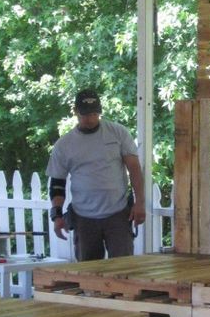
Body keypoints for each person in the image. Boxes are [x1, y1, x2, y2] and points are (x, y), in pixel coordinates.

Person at [46, 88, 146, 261]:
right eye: (85, 114)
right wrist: (57, 215)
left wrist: (140, 203)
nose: (90, 119)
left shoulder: (118, 133)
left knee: (123, 268)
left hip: (118, 212)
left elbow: (135, 169)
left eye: (94, 114)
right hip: (84, 218)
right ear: (76, 112)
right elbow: (57, 184)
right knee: (88, 271)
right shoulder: (64, 145)